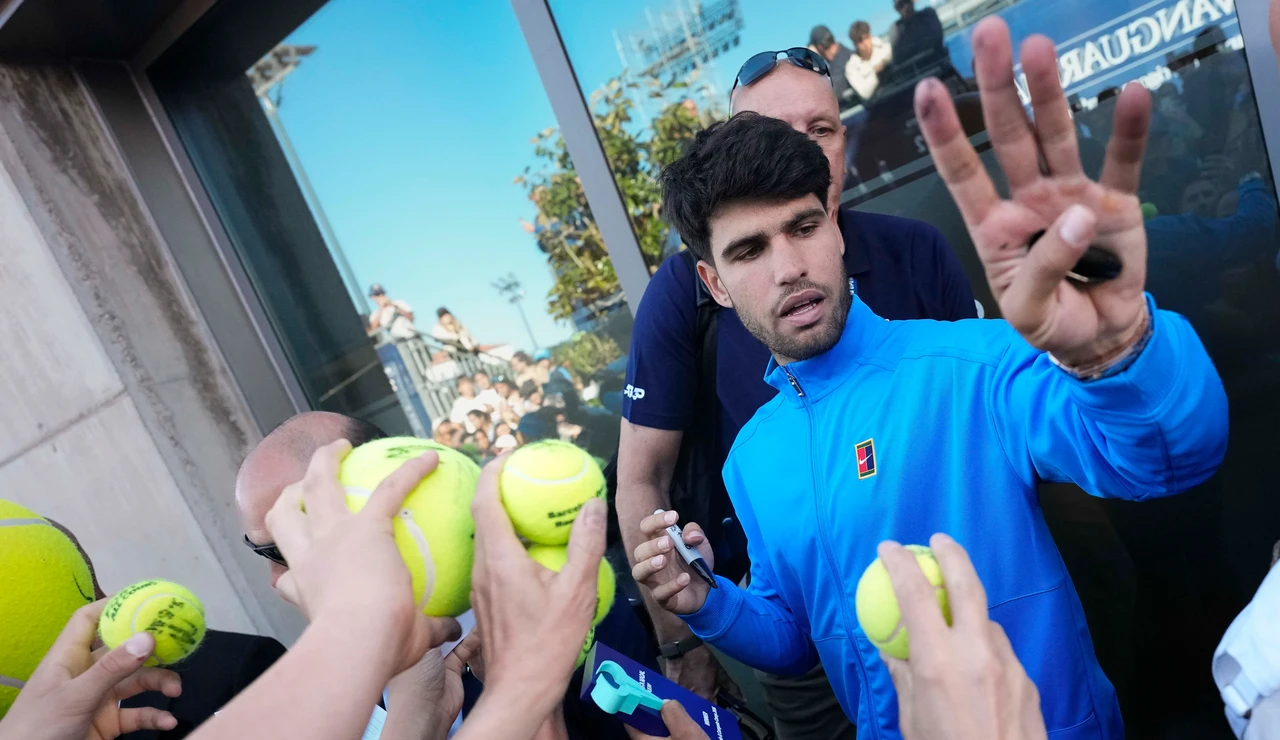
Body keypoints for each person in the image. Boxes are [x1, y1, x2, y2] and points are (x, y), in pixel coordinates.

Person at [632, 17, 1228, 740]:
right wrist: (710, 603)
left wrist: (1119, 352)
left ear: (836, 227)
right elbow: (794, 633)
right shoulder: (752, 457)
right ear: (714, 284)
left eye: (802, 227)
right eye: (750, 249)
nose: (788, 266)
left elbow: (1171, 456)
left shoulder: (972, 364)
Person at [618, 39, 976, 740]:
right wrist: (685, 638)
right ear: (715, 279)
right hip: (798, 623)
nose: (798, 154)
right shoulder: (748, 438)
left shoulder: (916, 254)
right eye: (771, 136)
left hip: (961, 583)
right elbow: (642, 480)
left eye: (821, 129)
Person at [886, 0, 945, 70]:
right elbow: (898, 58)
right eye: (901, 4)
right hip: (914, 75)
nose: (906, 6)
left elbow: (937, 39)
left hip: (939, 66)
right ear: (896, 8)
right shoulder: (895, 29)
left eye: (907, 1)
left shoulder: (929, 14)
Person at [807, 26, 855, 107]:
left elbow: (831, 95)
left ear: (820, 48)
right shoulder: (844, 55)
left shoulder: (840, 62)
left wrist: (814, 61)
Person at [846, 21, 892, 101]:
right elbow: (865, 93)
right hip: (878, 104)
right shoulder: (851, 68)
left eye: (866, 38)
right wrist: (876, 72)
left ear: (870, 36)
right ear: (855, 44)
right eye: (860, 41)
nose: (865, 43)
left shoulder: (886, 48)